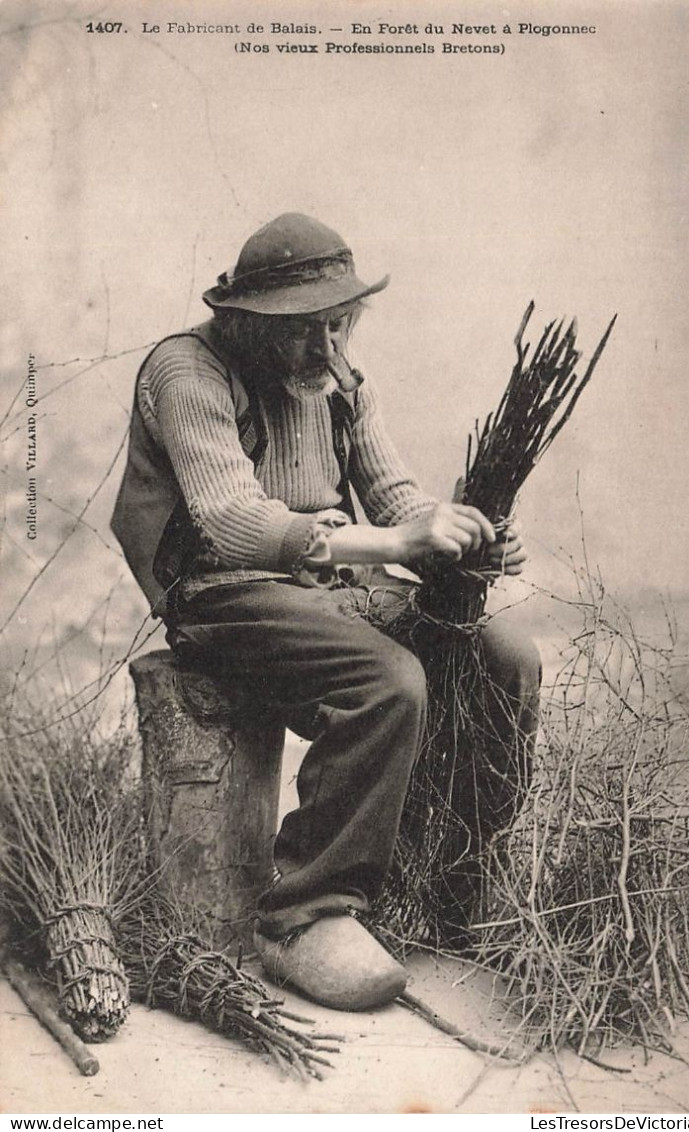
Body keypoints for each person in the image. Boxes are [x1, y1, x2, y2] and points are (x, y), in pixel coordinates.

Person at [112, 213, 540, 1011]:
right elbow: (231, 522)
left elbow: (394, 497)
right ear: (246, 320)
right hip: (219, 590)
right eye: (306, 331)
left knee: (506, 657)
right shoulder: (188, 372)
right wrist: (391, 542)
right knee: (386, 680)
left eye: (340, 324)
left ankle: (451, 881)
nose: (329, 350)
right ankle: (303, 916)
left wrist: (459, 537)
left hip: (321, 582)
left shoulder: (339, 379)